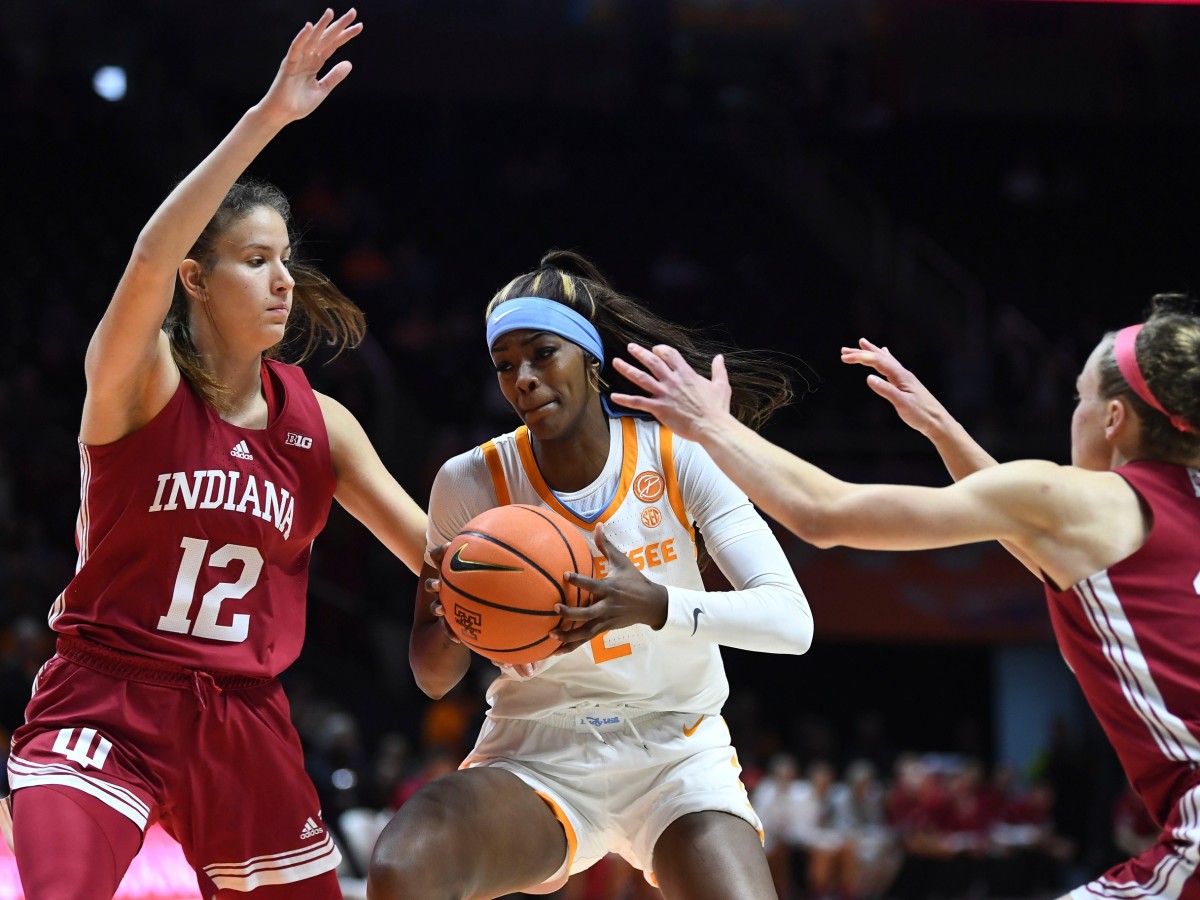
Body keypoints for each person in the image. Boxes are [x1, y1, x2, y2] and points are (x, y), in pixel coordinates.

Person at [1, 10, 427, 899]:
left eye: (286, 260)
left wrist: (550, 597)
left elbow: (436, 557)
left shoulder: (323, 425)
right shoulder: (139, 379)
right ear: (198, 278)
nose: (282, 280)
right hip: (105, 699)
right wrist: (269, 115)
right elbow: (151, 253)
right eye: (253, 258)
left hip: (244, 717)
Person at [611, 293, 1200, 899]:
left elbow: (823, 512)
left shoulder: (1093, 501)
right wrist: (941, 429)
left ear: (1114, 421)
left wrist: (710, 424)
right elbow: (1029, 524)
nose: (1074, 411)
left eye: (1081, 398)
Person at [367, 249, 814, 899]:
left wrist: (656, 603)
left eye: (542, 353)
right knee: (403, 865)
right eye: (504, 365)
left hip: (676, 747)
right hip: (536, 750)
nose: (522, 377)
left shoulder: (678, 451)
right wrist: (459, 620)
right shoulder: (469, 481)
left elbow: (790, 621)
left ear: (588, 355)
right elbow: (434, 679)